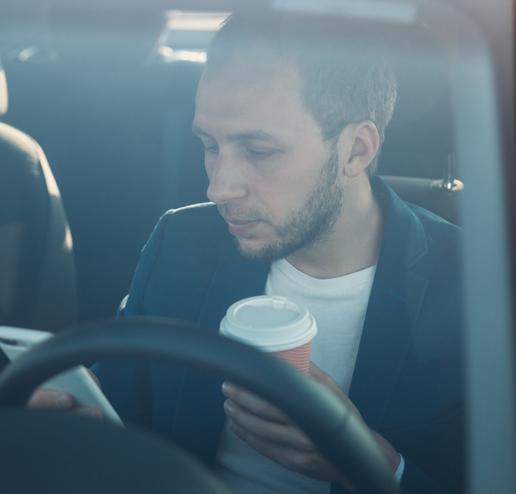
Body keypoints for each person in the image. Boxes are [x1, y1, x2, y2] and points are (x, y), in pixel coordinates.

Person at [30, 11, 463, 494]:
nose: (219, 187)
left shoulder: (473, 287)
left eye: (258, 151)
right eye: (209, 145)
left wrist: (376, 465)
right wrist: (73, 423)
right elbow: (122, 413)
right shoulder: (179, 244)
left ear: (357, 150)